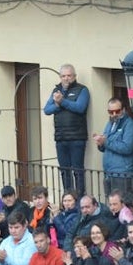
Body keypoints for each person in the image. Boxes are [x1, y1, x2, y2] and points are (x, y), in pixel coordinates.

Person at [44, 65, 90, 196]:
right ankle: (68, 198)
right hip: (61, 138)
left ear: (74, 76)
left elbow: (80, 107)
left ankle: (80, 198)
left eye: (69, 75)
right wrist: (58, 104)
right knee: (64, 171)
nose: (66, 78)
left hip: (77, 138)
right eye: (63, 76)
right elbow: (47, 110)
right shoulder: (56, 90)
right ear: (60, 77)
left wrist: (62, 102)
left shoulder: (82, 90)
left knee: (78, 171)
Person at [93, 98, 133, 197]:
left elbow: (127, 148)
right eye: (111, 112)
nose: (114, 114)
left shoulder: (130, 125)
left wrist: (105, 142)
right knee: (112, 206)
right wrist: (100, 143)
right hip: (109, 173)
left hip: (123, 174)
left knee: (123, 206)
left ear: (123, 110)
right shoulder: (110, 123)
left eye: (117, 111)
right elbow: (105, 146)